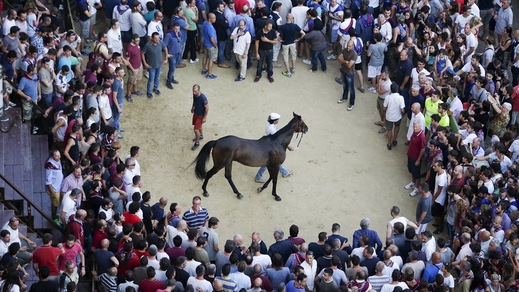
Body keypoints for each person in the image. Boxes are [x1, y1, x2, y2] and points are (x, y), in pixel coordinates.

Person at [254, 113, 294, 183]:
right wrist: (288, 147)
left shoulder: (269, 126)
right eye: (278, 119)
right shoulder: (272, 129)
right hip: (271, 147)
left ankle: (284, 172)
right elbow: (278, 140)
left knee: (276, 161)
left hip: (269, 144)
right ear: (275, 121)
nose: (278, 120)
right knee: (267, 163)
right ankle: (258, 177)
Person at [141, 32, 168, 99]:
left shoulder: (160, 42)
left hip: (159, 64)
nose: (157, 40)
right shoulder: (148, 45)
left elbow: (165, 49)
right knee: (151, 79)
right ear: (152, 38)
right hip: (151, 66)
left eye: (158, 38)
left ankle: (156, 88)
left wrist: (166, 58)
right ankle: (149, 92)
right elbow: (142, 53)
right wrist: (145, 63)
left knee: (157, 77)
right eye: (155, 38)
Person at [383, 83, 405, 150]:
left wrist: (385, 114)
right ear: (397, 90)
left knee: (389, 130)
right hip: (397, 117)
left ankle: (389, 144)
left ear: (391, 90)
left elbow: (384, 108)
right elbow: (402, 109)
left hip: (389, 116)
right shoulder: (401, 98)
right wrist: (402, 115)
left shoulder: (387, 97)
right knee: (397, 127)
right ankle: (394, 139)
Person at [337, 40, 357, 111]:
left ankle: (351, 103)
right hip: (343, 71)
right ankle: (344, 98)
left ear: (353, 46)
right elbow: (339, 59)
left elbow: (349, 66)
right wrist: (345, 61)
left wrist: (343, 61)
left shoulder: (354, 54)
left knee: (351, 89)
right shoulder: (344, 50)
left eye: (350, 46)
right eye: (348, 45)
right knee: (345, 86)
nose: (348, 47)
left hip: (350, 73)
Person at [164, 23, 183, 89]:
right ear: (172, 28)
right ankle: (169, 81)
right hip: (172, 54)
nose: (177, 30)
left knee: (174, 67)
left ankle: (171, 78)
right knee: (172, 69)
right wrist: (167, 54)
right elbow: (164, 45)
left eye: (178, 28)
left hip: (178, 53)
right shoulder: (169, 35)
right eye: (175, 28)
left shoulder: (179, 33)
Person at [191, 84, 209, 151]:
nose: (194, 93)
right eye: (193, 91)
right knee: (199, 126)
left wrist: (204, 117)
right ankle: (201, 135)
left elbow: (207, 108)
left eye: (195, 91)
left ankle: (197, 142)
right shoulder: (194, 95)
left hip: (200, 116)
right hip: (196, 113)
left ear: (199, 90)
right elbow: (194, 101)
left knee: (196, 130)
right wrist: (192, 107)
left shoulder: (203, 98)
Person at [201, 13, 218, 79]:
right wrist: (215, 46)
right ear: (209, 19)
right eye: (213, 18)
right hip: (211, 46)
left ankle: (204, 70)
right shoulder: (210, 27)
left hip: (205, 44)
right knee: (211, 59)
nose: (215, 19)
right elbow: (212, 39)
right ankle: (209, 74)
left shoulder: (205, 23)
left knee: (205, 56)